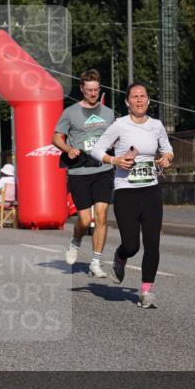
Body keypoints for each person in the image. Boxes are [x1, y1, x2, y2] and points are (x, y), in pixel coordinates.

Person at [91, 83, 173, 309]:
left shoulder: (156, 125)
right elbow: (97, 150)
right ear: (127, 102)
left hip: (151, 190)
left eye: (143, 96)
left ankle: (146, 292)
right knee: (132, 245)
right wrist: (115, 161)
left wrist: (167, 158)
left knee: (153, 243)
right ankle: (120, 256)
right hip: (126, 191)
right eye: (135, 97)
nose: (139, 100)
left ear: (148, 100)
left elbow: (167, 149)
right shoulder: (119, 125)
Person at [53, 69, 115, 278]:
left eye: (96, 90)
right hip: (79, 171)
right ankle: (76, 240)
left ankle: (96, 262)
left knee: (101, 216)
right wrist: (67, 149)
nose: (93, 93)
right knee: (84, 219)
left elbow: (116, 136)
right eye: (89, 90)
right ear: (82, 89)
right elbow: (56, 138)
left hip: (103, 169)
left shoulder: (108, 113)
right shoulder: (70, 112)